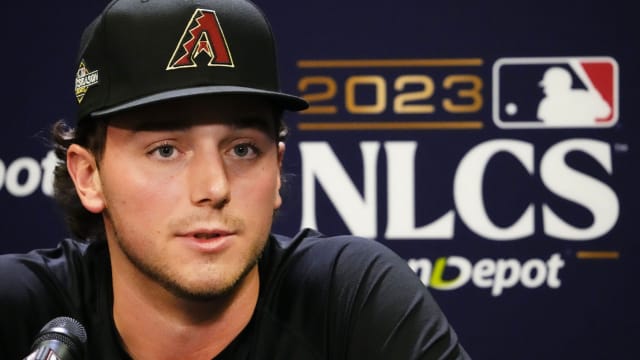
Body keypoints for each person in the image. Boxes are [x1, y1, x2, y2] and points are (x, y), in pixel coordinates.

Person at [0, 0, 469, 358]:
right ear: (89, 176)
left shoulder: (351, 299)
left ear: (278, 168)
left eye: (242, 149)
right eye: (165, 150)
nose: (215, 187)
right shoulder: (20, 310)